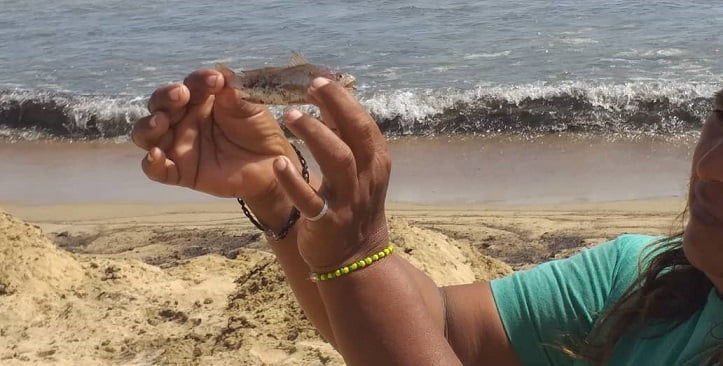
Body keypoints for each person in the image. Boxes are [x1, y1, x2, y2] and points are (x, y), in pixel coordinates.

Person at [131, 69, 723, 366]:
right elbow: (429, 326)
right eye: (722, 111)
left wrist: (354, 256)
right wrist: (284, 195)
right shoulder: (647, 279)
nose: (710, 165)